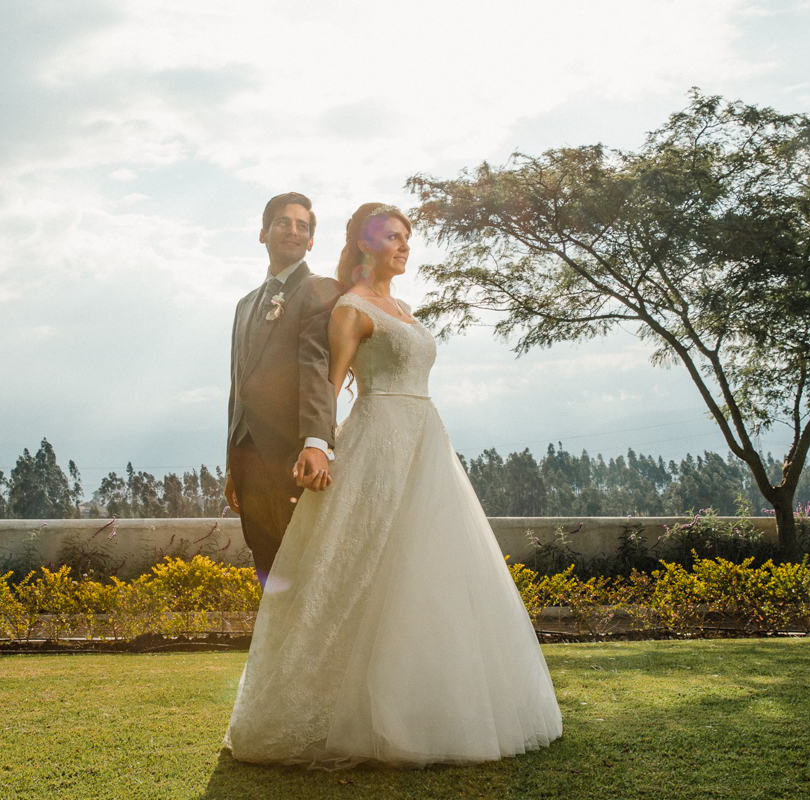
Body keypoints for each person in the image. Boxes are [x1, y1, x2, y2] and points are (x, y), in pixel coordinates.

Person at [224, 203, 563, 768]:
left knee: (429, 571)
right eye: (393, 237)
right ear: (363, 243)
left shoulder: (403, 308)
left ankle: (436, 706)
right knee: (353, 571)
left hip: (427, 446)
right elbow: (325, 385)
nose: (404, 246)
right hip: (376, 443)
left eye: (408, 237)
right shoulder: (349, 308)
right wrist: (319, 443)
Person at [226, 192, 344, 586]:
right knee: (269, 574)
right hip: (247, 461)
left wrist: (316, 442)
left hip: (294, 458)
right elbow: (238, 387)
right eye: (282, 222)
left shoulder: (319, 290)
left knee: (304, 573)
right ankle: (273, 651)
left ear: (311, 241)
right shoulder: (244, 305)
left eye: (302, 226)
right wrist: (232, 461)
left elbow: (317, 368)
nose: (292, 230)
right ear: (263, 233)